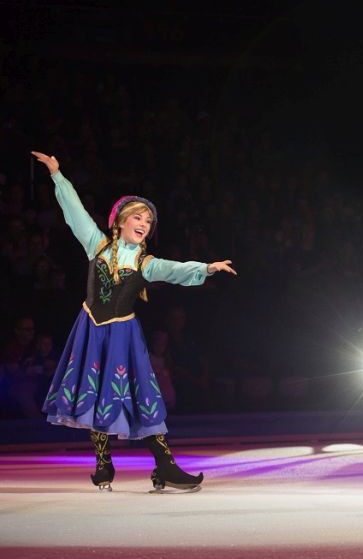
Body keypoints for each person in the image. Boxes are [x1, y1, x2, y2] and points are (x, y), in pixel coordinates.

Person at [31, 151, 237, 492]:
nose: (144, 224)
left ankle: (165, 465)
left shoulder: (145, 262)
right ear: (121, 221)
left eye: (149, 221)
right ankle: (103, 462)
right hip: (91, 330)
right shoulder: (97, 245)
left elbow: (174, 269)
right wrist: (57, 175)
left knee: (142, 395)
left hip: (123, 335)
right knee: (96, 393)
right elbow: (75, 212)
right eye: (138, 217)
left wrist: (206, 268)